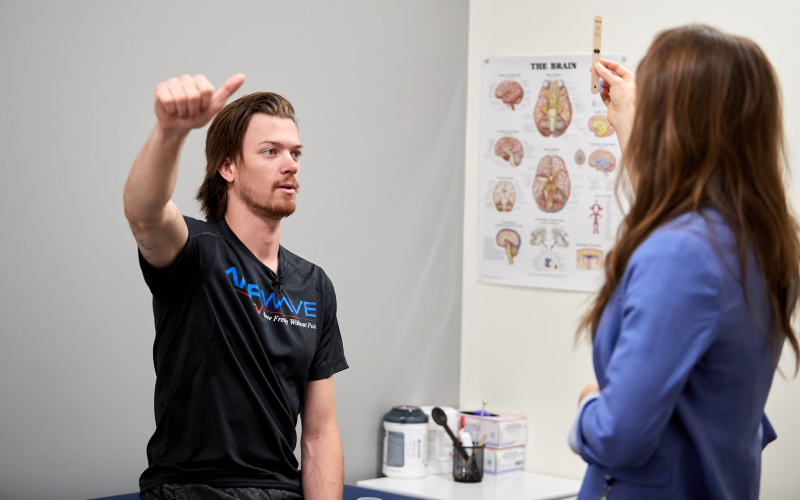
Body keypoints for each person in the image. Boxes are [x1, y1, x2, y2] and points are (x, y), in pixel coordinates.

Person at [567, 25, 800, 499]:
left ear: (673, 124)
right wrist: (627, 123)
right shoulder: (762, 240)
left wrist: (590, 405)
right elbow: (677, 207)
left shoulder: (681, 254)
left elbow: (618, 436)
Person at [123, 73, 348, 500]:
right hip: (193, 489)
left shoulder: (314, 285)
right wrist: (170, 132)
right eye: (270, 151)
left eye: (295, 152)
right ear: (228, 167)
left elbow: (320, 434)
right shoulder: (195, 252)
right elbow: (144, 212)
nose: (291, 164)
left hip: (280, 490)